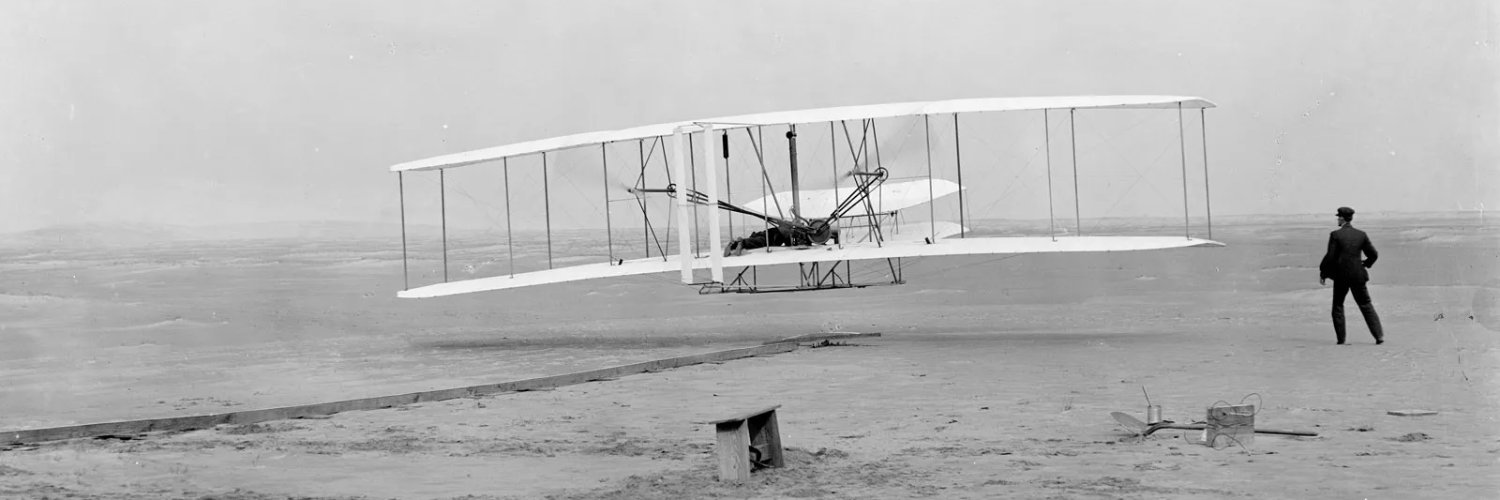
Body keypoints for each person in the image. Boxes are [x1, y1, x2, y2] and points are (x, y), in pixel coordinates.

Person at [1318, 206, 1385, 345]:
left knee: (1338, 306)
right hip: (1358, 275)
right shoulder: (1361, 234)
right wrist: (1366, 264)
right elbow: (1374, 254)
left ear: (1342, 218)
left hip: (1341, 276)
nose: (1337, 219)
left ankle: (1341, 340)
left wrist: (1323, 272)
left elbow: (1330, 257)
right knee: (1366, 304)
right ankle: (1379, 336)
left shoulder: (1335, 235)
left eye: (1338, 217)